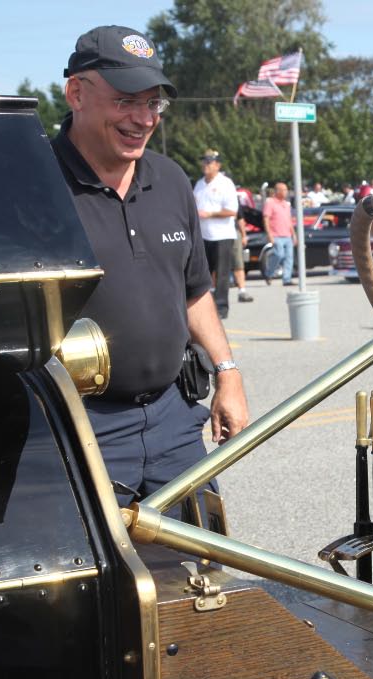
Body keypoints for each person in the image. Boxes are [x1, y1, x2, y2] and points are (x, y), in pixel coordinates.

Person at [52, 25, 249, 509]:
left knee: (201, 568)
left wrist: (228, 373)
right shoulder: (37, 183)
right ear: (76, 92)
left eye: (153, 104)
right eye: (125, 101)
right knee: (104, 580)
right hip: (79, 427)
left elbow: (195, 291)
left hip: (172, 419)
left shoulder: (170, 179)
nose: (143, 118)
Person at [193, 149, 240, 318]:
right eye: (204, 161)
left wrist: (210, 214)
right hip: (203, 235)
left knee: (221, 274)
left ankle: (221, 309)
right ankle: (204, 308)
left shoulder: (225, 183)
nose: (205, 165)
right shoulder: (199, 184)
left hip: (222, 235)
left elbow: (232, 211)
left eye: (209, 162)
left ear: (217, 165)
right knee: (202, 274)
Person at [263, 181, 297, 286]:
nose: (286, 192)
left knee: (289, 258)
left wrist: (294, 235)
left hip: (287, 235)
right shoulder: (270, 203)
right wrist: (269, 234)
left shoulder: (286, 205)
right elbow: (266, 219)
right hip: (276, 235)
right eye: (284, 190)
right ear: (278, 191)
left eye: (286, 190)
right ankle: (269, 273)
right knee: (279, 254)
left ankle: (286, 279)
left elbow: (289, 220)